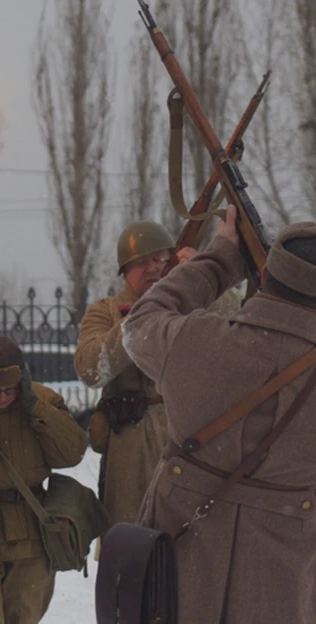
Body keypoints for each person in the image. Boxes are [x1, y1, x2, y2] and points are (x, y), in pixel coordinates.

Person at [122, 206, 316, 623]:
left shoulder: (195, 342)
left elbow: (140, 322)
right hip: (281, 585)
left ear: (264, 274)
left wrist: (221, 258)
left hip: (180, 568)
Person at [0, 336, 87, 624]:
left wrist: (35, 408)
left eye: (9, 390)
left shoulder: (43, 400)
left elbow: (72, 453)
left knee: (25, 615)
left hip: (32, 532)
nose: (1, 398)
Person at [74, 221, 196, 525]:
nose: (154, 269)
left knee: (187, 540)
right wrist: (142, 317)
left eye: (161, 260)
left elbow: (233, 324)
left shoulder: (190, 303)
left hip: (186, 440)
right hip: (130, 447)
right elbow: (91, 369)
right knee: (131, 542)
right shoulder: (106, 311)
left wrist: (201, 276)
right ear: (125, 270)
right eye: (142, 262)